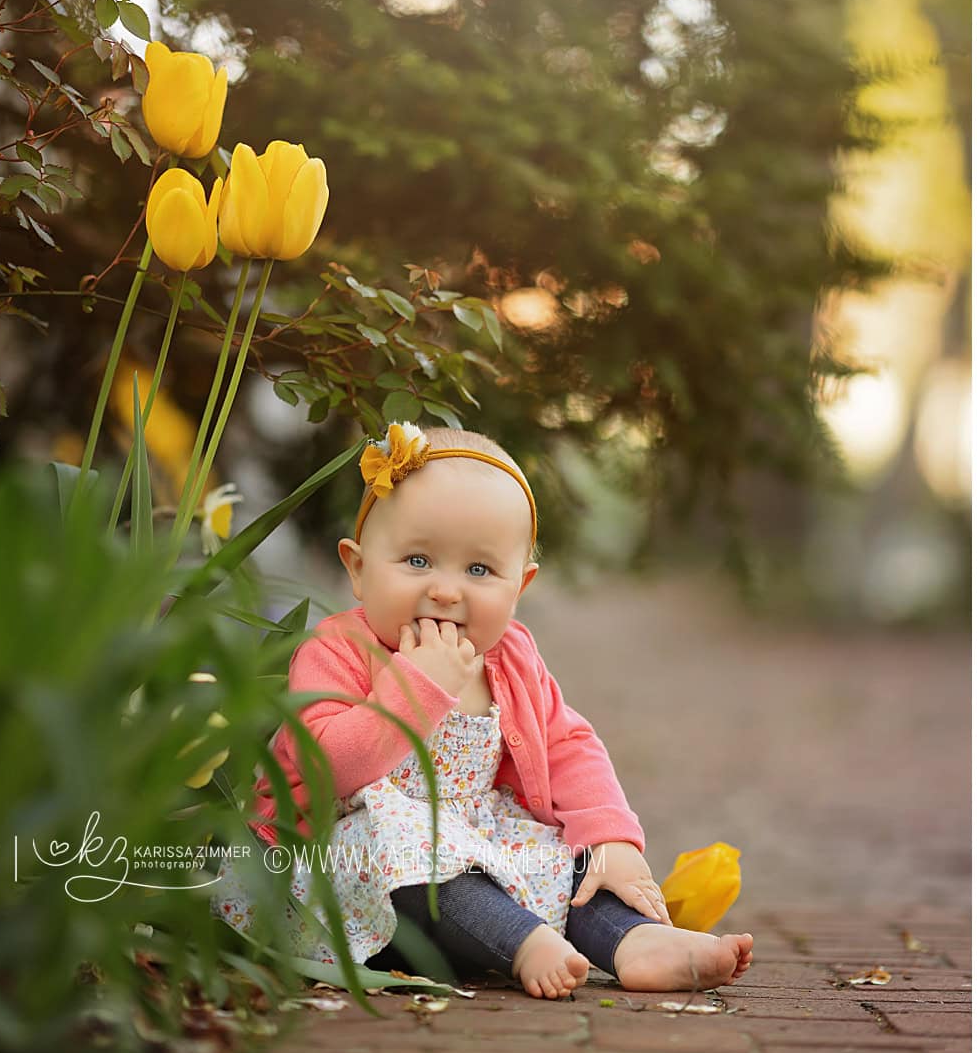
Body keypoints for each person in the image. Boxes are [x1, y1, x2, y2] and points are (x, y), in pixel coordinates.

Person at [214, 423, 753, 999]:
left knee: (565, 862)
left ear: (519, 587)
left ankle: (635, 942)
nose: (446, 590)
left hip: (477, 849)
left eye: (478, 571)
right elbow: (324, 764)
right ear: (358, 567)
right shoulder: (340, 651)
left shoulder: (511, 655)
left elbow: (568, 745)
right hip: (356, 875)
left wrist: (610, 838)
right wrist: (418, 686)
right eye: (418, 560)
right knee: (413, 851)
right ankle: (524, 942)